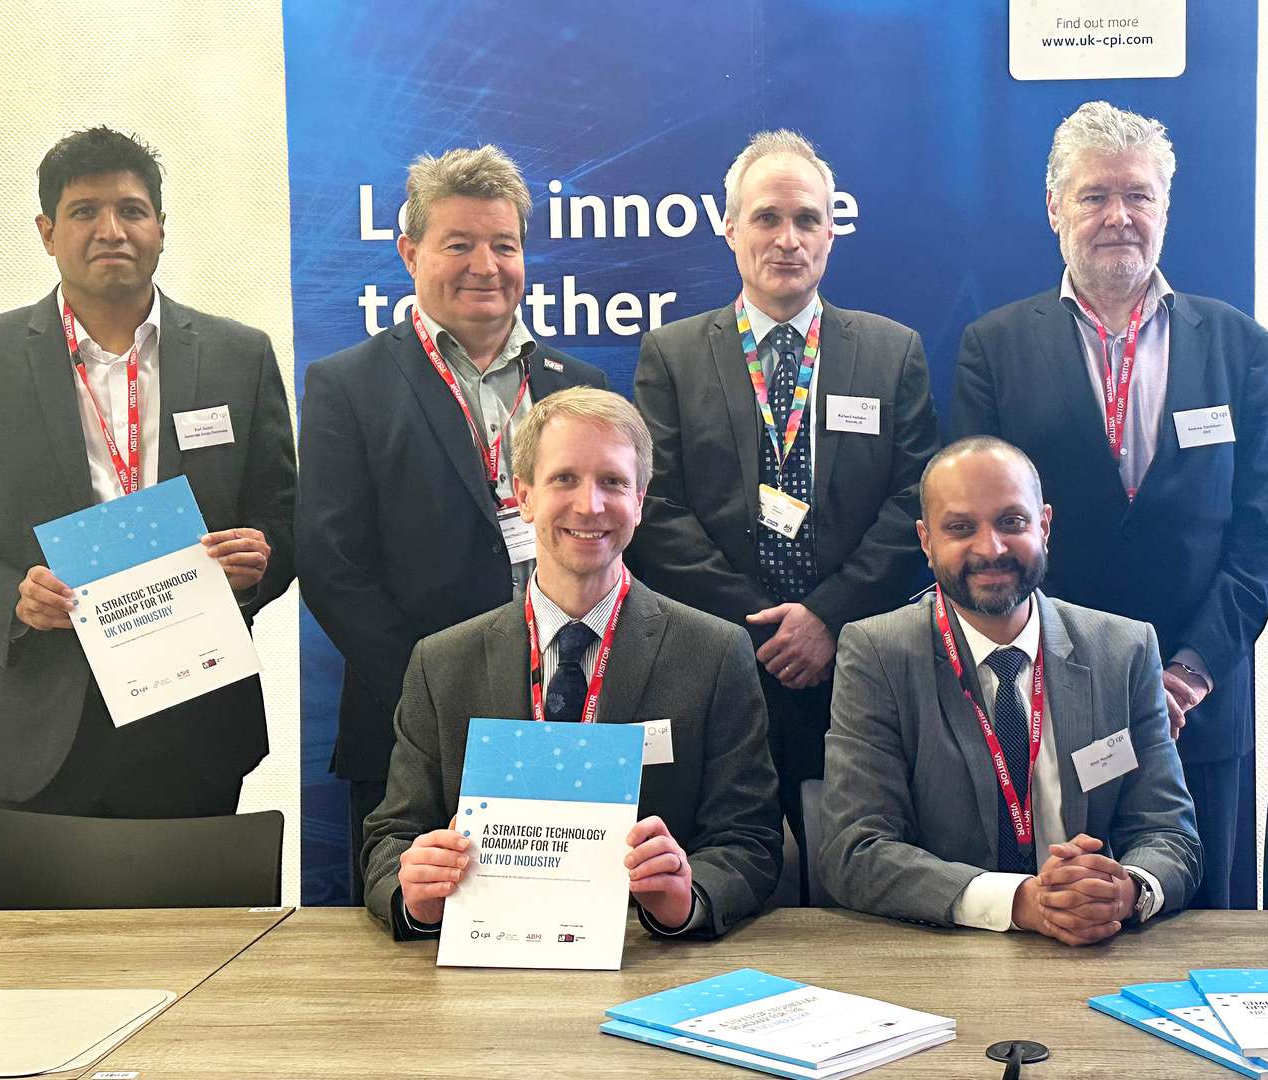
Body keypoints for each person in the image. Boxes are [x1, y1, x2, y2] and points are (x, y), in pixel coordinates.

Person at [0, 126, 296, 816]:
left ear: (161, 228)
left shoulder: (240, 356)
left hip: (193, 719)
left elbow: (283, 517)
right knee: (28, 897)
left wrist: (259, 559)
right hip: (30, 726)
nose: (111, 230)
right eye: (84, 211)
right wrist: (12, 600)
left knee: (192, 894)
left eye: (131, 210)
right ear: (47, 232)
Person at [949, 102, 1268, 909]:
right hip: (1049, 701)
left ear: (1166, 208)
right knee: (1062, 914)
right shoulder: (994, 348)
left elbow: (1262, 533)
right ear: (1054, 208)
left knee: (1196, 926)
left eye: (1138, 196)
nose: (1119, 216)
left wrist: (1190, 673)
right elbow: (983, 536)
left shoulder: (1239, 347)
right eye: (1095, 196)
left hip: (1199, 706)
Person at [629, 130, 939, 892]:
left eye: (807, 219)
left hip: (858, 664)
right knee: (731, 882)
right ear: (730, 227)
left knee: (859, 885)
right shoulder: (672, 355)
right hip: (722, 661)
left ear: (832, 231)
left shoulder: (892, 352)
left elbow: (916, 499)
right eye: (767, 218)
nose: (788, 239)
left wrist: (826, 617)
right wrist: (763, 627)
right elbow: (654, 506)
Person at [298, 145, 609, 896]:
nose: (485, 266)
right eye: (459, 244)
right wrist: (436, 695)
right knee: (411, 933)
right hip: (410, 728)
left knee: (568, 928)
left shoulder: (578, 385)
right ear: (410, 254)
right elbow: (333, 566)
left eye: (504, 245)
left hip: (567, 719)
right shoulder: (349, 385)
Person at [362, 387, 782, 940]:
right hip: (486, 957)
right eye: (564, 479)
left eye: (613, 481)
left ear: (640, 500)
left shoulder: (715, 653)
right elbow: (390, 839)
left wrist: (687, 898)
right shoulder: (441, 664)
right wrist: (415, 894)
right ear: (524, 497)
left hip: (646, 954)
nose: (590, 505)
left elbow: (750, 841)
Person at [819, 437, 1199, 942]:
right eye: (960, 528)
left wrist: (1123, 889)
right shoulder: (878, 654)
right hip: (944, 952)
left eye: (1011, 522)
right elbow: (855, 850)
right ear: (926, 541)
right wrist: (1021, 902)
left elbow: (1169, 833)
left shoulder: (1124, 650)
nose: (991, 548)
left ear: (1044, 526)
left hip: (1097, 945)